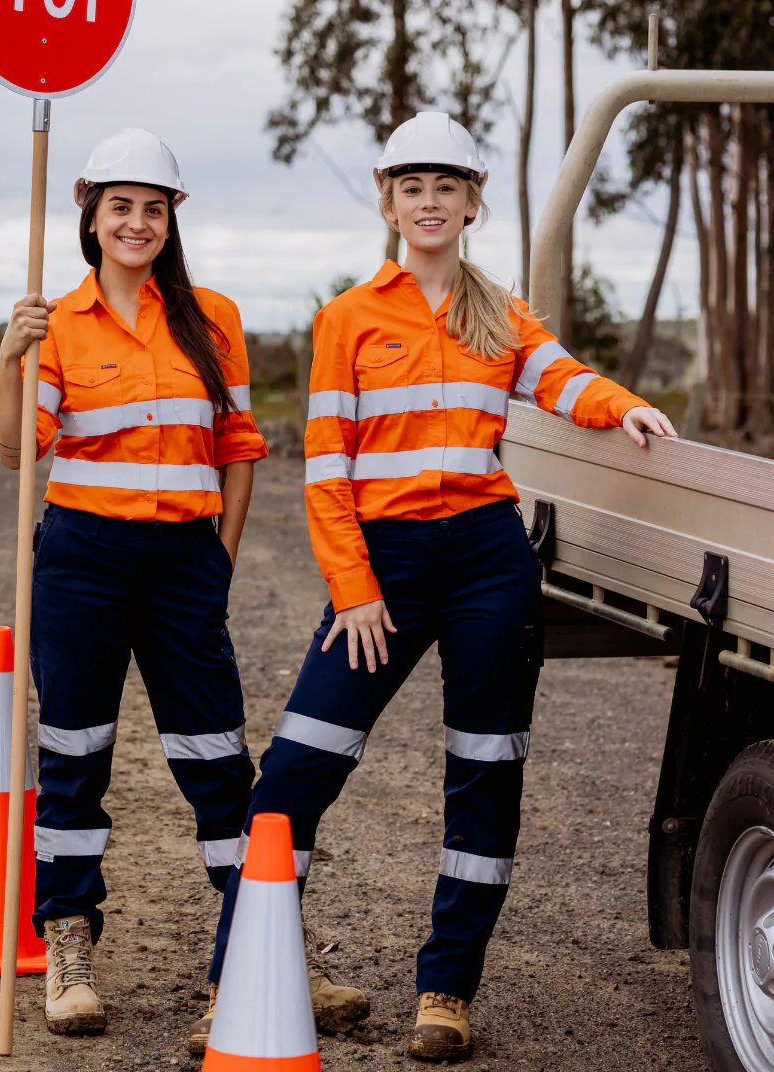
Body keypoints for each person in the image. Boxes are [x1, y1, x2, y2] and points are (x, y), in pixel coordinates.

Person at [199, 112, 678, 1062]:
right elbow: (325, 469)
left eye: (446, 187)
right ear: (388, 199)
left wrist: (629, 410)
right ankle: (235, 979)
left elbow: (563, 381)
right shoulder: (347, 319)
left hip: (487, 562)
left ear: (470, 202)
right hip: (378, 568)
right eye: (411, 187)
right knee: (297, 768)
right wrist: (355, 588)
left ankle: (447, 991)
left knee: (487, 772)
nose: (428, 202)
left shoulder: (497, 311)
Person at [0, 128, 269, 1036]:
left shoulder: (214, 318)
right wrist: (8, 358)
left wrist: (217, 559)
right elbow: (15, 450)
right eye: (121, 207)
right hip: (81, 562)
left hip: (186, 562)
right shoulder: (55, 323)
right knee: (73, 758)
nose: (137, 222)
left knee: (220, 762)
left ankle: (260, 948)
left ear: (173, 216)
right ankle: (68, 947)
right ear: (90, 212)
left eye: (154, 207)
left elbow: (238, 452)